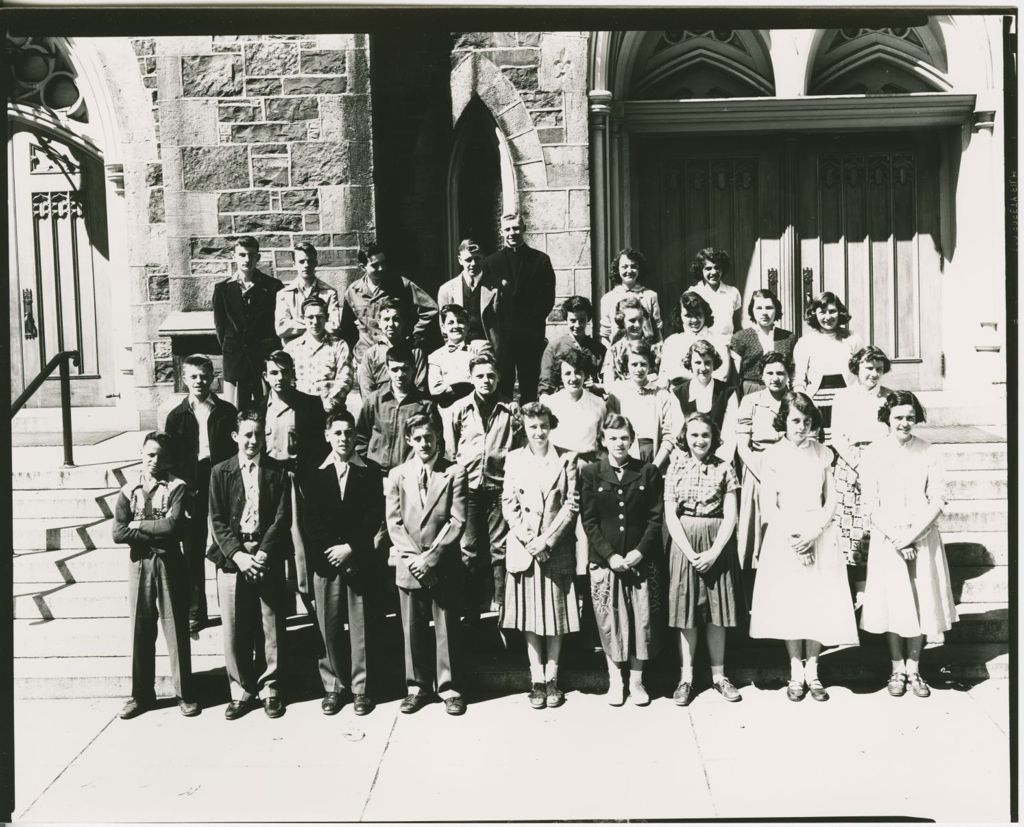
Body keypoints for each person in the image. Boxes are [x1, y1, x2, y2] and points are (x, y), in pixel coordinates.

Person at [748, 392, 858, 703]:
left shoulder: (823, 453)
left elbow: (832, 498)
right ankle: (796, 670)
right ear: (784, 421)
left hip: (819, 534)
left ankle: (814, 670)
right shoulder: (771, 457)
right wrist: (797, 540)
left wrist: (815, 532)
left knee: (816, 602)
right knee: (791, 603)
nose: (802, 425)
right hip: (786, 538)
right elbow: (769, 506)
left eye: (807, 420)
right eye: (796, 420)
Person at [859, 391, 958, 699]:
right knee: (894, 601)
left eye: (909, 417)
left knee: (919, 602)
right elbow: (870, 503)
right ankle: (896, 668)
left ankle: (914, 670)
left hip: (923, 536)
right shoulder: (873, 453)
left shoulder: (929, 452)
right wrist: (897, 538)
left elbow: (938, 498)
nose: (904, 422)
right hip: (889, 539)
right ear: (887, 418)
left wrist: (914, 535)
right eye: (899, 416)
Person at [208, 410, 292, 720]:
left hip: (266, 553)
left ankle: (271, 686)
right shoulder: (221, 471)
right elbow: (216, 519)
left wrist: (263, 553)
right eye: (246, 434)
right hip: (233, 557)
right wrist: (238, 555)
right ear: (235, 436)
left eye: (258, 434)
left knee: (270, 623)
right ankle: (241, 689)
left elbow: (283, 517)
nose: (252, 440)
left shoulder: (277, 472)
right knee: (234, 626)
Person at [385, 413, 468, 716]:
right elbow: (394, 523)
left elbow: (457, 520)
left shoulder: (455, 472)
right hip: (409, 564)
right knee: (413, 629)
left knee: (446, 627)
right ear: (409, 440)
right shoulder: (398, 475)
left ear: (439, 439)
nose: (424, 443)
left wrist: (431, 559)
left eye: (429, 437)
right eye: (418, 438)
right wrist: (414, 560)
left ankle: (449, 688)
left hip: (442, 563)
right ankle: (416, 687)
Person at [302, 409, 383, 716]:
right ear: (327, 436)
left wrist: (351, 549)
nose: (343, 438)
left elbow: (372, 516)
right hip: (327, 563)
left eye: (348, 432)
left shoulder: (370, 471)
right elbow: (311, 521)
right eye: (337, 433)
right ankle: (334, 686)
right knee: (329, 627)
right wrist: (333, 552)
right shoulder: (313, 472)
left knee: (361, 627)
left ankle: (362, 688)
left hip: (358, 561)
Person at [112, 431, 199, 719]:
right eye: (150, 454)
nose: (154, 461)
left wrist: (139, 525)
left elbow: (173, 527)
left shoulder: (177, 486)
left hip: (169, 561)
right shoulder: (128, 489)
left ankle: (185, 693)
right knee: (140, 628)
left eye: (160, 456)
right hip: (139, 563)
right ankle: (141, 695)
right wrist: (152, 526)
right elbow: (117, 532)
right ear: (141, 453)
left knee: (175, 628)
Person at [579, 413, 664, 706]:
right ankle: (616, 682)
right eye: (613, 438)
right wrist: (611, 555)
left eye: (624, 438)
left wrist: (639, 552)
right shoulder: (590, 473)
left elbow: (655, 518)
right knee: (610, 620)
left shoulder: (647, 471)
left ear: (632, 440)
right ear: (603, 440)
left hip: (641, 560)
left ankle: (637, 682)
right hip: (606, 563)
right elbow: (589, 521)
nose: (619, 443)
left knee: (643, 621)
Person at [501, 401, 580, 709]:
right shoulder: (514, 459)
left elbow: (571, 504)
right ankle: (536, 678)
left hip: (555, 549)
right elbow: (509, 503)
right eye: (533, 426)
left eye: (544, 426)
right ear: (524, 427)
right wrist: (530, 540)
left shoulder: (566, 459)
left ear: (551, 426)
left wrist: (547, 541)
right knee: (532, 617)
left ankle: (552, 678)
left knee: (556, 615)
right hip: (526, 549)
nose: (539, 432)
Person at [663, 413, 743, 706]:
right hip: (685, 543)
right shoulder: (676, 466)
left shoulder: (724, 468)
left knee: (717, 611)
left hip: (716, 543)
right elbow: (671, 513)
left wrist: (714, 552)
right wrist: (688, 551)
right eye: (694, 435)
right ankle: (686, 678)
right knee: (687, 612)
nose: (700, 441)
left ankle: (719, 675)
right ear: (685, 436)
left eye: (705, 436)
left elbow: (731, 513)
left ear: (714, 438)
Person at [164, 354, 238, 633]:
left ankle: (232, 607)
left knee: (225, 544)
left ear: (213, 378)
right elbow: (170, 461)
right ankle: (196, 610)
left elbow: (234, 452)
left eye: (204, 376)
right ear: (184, 379)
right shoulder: (177, 417)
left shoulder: (227, 412)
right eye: (193, 376)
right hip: (192, 487)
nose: (199, 381)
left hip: (221, 483)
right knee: (192, 550)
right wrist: (178, 495)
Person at [449, 352, 523, 622]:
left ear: (499, 377)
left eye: (491, 375)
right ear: (471, 378)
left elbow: (518, 447)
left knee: (500, 550)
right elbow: (451, 448)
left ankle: (504, 610)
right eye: (480, 376)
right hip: (467, 489)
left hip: (499, 488)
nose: (486, 380)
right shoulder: (459, 409)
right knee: (468, 549)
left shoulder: (509, 409)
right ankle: (469, 611)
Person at [257, 350, 328, 606]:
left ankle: (309, 596)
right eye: (274, 372)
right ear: (265, 376)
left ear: (293, 374)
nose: (280, 377)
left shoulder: (310, 405)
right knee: (272, 537)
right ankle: (280, 600)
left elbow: (321, 450)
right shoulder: (257, 408)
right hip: (267, 482)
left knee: (301, 540)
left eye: (285, 372)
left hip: (298, 481)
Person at [830, 345, 893, 603]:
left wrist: (876, 466)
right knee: (852, 530)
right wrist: (857, 465)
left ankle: (876, 589)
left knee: (877, 525)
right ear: (857, 367)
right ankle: (854, 592)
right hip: (850, 465)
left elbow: (892, 435)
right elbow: (837, 436)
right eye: (869, 368)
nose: (874, 374)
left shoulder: (890, 397)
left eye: (879, 369)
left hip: (881, 464)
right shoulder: (843, 397)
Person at [485, 213, 556, 403]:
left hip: (530, 334)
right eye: (507, 229)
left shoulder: (540, 260)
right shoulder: (491, 263)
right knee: (503, 384)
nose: (512, 233)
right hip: (503, 336)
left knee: (530, 384)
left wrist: (530, 324)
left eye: (516, 228)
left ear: (524, 229)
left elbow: (547, 299)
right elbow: (488, 302)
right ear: (501, 232)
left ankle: (530, 426)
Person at [212, 236, 284, 409]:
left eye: (251, 255)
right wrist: (233, 348)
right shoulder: (222, 289)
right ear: (235, 256)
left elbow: (276, 325)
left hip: (263, 359)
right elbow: (220, 328)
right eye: (242, 255)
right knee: (235, 411)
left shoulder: (273, 287)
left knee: (267, 408)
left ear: (258, 258)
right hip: (235, 361)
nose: (247, 259)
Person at [340, 241, 438, 366]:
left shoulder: (401, 285)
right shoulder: (353, 291)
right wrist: (349, 358)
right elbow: (347, 331)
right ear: (362, 267)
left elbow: (431, 309)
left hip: (396, 356)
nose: (381, 268)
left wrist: (414, 336)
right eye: (375, 265)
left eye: (383, 263)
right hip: (365, 358)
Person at [735, 352, 789, 574]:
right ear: (761, 376)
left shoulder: (796, 400)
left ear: (788, 375)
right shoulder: (751, 401)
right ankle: (752, 587)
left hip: (789, 470)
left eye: (780, 373)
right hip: (758, 469)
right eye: (770, 373)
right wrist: (762, 473)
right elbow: (742, 446)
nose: (775, 378)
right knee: (756, 528)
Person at [355, 344, 441, 476]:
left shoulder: (425, 405)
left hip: (410, 475)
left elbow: (437, 443)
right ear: (387, 370)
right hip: (375, 474)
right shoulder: (374, 400)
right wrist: (365, 468)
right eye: (395, 369)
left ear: (414, 369)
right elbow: (360, 438)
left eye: (405, 369)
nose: (400, 374)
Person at [791, 291, 864, 443]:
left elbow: (862, 372)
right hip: (818, 402)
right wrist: (804, 405)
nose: (828, 317)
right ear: (814, 314)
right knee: (820, 445)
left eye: (832, 311)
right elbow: (799, 379)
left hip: (846, 400)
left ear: (840, 312)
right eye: (822, 312)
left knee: (845, 441)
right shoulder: (805, 343)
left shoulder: (853, 339)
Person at [604, 340, 678, 467]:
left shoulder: (662, 395)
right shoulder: (617, 395)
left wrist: (655, 466)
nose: (639, 369)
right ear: (627, 365)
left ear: (649, 365)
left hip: (655, 457)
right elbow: (610, 431)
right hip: (625, 457)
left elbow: (669, 435)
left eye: (643, 364)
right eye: (634, 364)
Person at [665, 339, 739, 464]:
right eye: (698, 362)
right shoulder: (678, 393)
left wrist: (719, 464)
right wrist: (689, 463)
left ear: (714, 364)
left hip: (720, 462)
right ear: (690, 364)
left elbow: (731, 434)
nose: (703, 368)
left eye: (708, 363)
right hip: (688, 462)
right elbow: (677, 433)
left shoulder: (728, 392)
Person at [428, 304, 488, 452]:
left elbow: (484, 378)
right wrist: (467, 384)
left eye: (461, 321)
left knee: (475, 450)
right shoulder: (436, 356)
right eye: (450, 322)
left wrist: (451, 385)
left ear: (468, 325)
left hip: (474, 410)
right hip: (448, 413)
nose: (456, 326)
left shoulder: (478, 348)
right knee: (451, 454)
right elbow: (435, 389)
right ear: (443, 328)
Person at [284, 296, 353, 412]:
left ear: (326, 318)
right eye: (310, 317)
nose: (315, 322)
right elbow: (288, 379)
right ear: (303, 318)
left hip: (330, 409)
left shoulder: (339, 345)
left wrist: (331, 402)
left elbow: (345, 379)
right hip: (300, 408)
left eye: (319, 317)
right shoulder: (291, 348)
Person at [436, 238, 502, 354]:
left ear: (483, 258)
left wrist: (488, 345)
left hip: (490, 352)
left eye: (477, 258)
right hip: (460, 352)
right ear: (460, 260)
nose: (473, 264)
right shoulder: (446, 290)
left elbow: (505, 326)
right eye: (468, 260)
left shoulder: (499, 287)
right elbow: (444, 328)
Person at [356, 298, 428, 402]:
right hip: (381, 409)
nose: (390, 324)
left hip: (410, 407)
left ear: (403, 322)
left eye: (396, 319)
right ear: (379, 323)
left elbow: (421, 386)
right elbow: (366, 390)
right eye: (386, 319)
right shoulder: (371, 354)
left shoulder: (415, 352)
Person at [728, 288, 796, 397]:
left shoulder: (788, 338)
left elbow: (794, 373)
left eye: (769, 308)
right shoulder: (740, 337)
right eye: (759, 308)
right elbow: (734, 378)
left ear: (776, 309)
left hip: (781, 390)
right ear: (752, 310)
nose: (764, 313)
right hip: (751, 391)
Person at [658, 291, 731, 388]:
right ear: (680, 315)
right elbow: (666, 377)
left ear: (705, 313)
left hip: (710, 395)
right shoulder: (672, 342)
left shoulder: (718, 340)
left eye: (698, 314)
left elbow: (722, 376)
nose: (694, 320)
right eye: (688, 315)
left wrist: (681, 376)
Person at [274, 243, 342, 344]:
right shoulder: (284, 294)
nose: (306, 265)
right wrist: (318, 324)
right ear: (294, 264)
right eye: (301, 262)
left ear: (316, 263)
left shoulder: (329, 293)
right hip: (294, 351)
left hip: (322, 349)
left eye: (309, 261)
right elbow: (281, 329)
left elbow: (334, 327)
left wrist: (295, 325)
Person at [538, 296, 606, 396]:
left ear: (588, 320)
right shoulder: (554, 347)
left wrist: (596, 386)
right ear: (566, 319)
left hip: (592, 401)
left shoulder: (599, 349)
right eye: (573, 320)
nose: (577, 325)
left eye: (582, 320)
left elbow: (606, 381)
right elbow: (546, 384)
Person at [598, 248, 663, 347]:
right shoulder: (607, 299)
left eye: (633, 266)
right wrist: (610, 356)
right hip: (618, 354)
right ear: (617, 269)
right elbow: (605, 336)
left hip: (644, 355)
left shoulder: (650, 296)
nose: (629, 270)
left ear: (639, 269)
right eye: (624, 267)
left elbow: (657, 331)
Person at [602, 295, 661, 385]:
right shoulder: (614, 351)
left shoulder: (655, 348)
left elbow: (664, 380)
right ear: (622, 322)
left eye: (640, 320)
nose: (637, 325)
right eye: (632, 320)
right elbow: (608, 385)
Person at [687, 247, 742, 337]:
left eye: (717, 267)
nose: (714, 272)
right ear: (701, 270)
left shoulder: (733, 292)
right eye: (708, 268)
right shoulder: (694, 292)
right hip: (702, 345)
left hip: (727, 344)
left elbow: (737, 325)